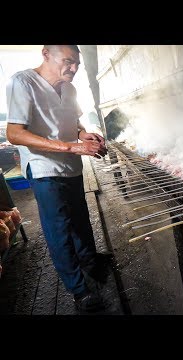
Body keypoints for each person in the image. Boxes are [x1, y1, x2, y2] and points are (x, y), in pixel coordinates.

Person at [5, 45, 110, 313]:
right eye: (68, 61)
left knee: (80, 219)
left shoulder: (70, 88)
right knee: (60, 231)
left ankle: (91, 263)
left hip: (71, 167)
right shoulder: (23, 82)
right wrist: (70, 146)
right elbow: (15, 133)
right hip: (44, 169)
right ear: (46, 54)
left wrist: (83, 134)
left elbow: (74, 123)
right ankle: (79, 289)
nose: (73, 68)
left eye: (77, 64)